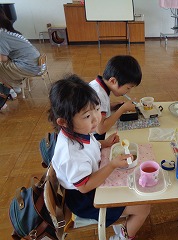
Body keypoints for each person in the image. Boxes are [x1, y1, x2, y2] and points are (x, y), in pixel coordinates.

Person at [49, 75, 150, 240]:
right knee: (143, 206)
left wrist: (104, 143)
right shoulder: (70, 153)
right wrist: (111, 165)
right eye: (87, 116)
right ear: (63, 122)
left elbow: (91, 144)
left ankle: (122, 227)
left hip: (90, 185)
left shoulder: (78, 131)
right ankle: (122, 237)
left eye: (96, 109)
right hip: (85, 199)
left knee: (133, 182)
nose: (97, 118)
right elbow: (84, 186)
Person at [89, 55, 142, 140]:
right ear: (113, 81)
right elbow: (100, 129)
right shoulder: (99, 94)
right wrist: (122, 109)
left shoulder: (97, 84)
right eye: (128, 88)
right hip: (94, 139)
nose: (128, 91)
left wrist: (111, 106)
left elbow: (94, 110)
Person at [0, 8, 41, 98]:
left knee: (1, 65)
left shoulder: (1, 35)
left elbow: (3, 59)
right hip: (36, 63)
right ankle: (15, 86)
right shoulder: (8, 31)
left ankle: (10, 90)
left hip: (29, 66)